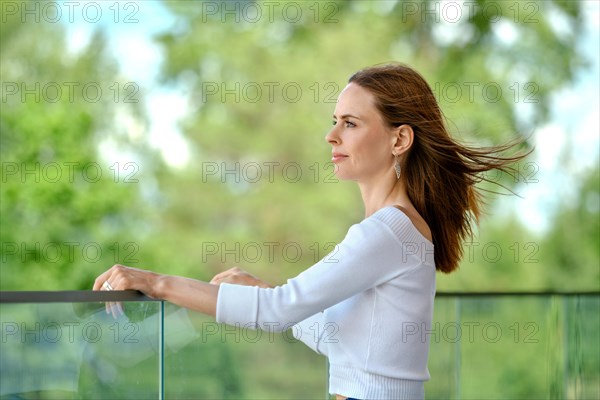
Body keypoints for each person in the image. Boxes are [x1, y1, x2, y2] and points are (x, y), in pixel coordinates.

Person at [94, 63, 529, 400]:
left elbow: (275, 311)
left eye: (351, 124)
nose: (331, 135)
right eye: (335, 120)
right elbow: (335, 339)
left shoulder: (387, 232)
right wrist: (264, 287)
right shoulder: (398, 231)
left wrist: (155, 282)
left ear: (399, 141)